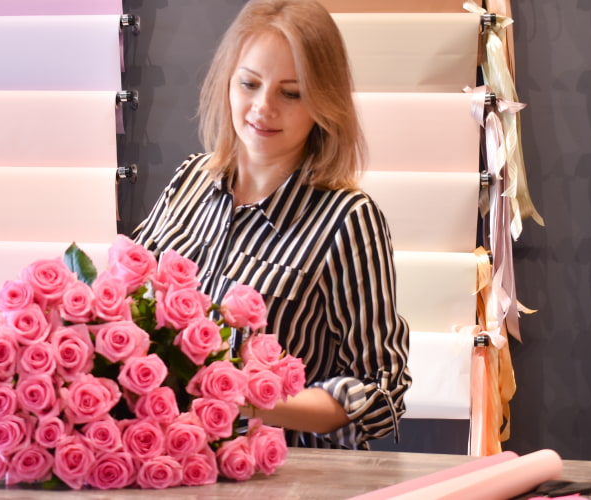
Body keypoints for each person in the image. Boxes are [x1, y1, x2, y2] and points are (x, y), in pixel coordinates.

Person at [132, 0, 411, 450]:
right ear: (227, 80)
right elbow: (123, 310)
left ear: (325, 102)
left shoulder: (348, 220)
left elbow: (380, 390)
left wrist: (250, 400)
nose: (263, 107)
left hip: (282, 476)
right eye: (249, 83)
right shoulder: (189, 181)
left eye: (291, 93)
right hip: (165, 460)